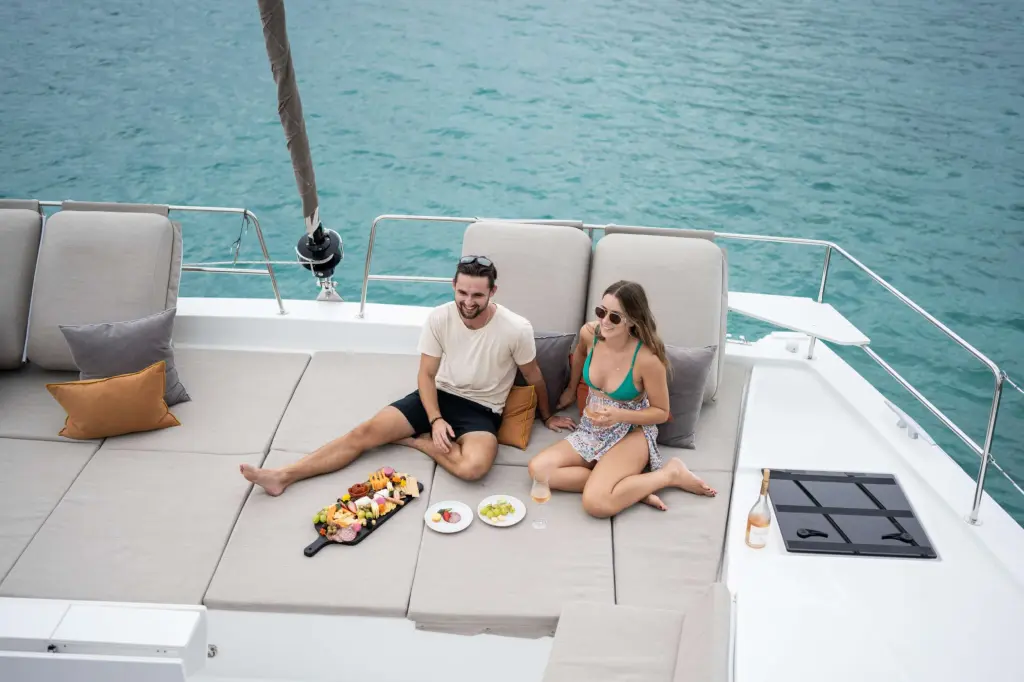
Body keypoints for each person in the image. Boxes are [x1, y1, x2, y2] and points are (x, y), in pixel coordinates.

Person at [241, 255, 576, 496]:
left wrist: (547, 417)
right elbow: (426, 375)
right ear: (454, 286)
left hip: (482, 410)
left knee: (473, 468)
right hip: (438, 396)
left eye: (477, 295)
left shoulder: (516, 328)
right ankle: (282, 476)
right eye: (462, 292)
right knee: (363, 433)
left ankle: (416, 442)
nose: (468, 302)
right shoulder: (439, 318)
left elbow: (534, 377)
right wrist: (435, 419)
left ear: (493, 292)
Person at [527, 280, 716, 518]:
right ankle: (628, 488)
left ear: (632, 320)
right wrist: (571, 389)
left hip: (631, 432)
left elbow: (660, 412)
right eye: (601, 312)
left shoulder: (648, 360)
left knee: (596, 504)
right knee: (538, 470)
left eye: (615, 317)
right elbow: (580, 354)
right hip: (593, 429)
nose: (604, 321)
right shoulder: (590, 334)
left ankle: (670, 474)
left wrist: (620, 415)